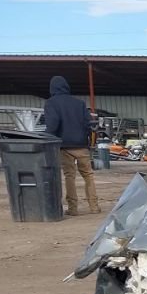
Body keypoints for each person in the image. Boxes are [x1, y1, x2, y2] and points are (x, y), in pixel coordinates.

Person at [43, 75, 98, 216]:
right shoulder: (79, 103)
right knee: (88, 176)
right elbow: (88, 124)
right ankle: (94, 206)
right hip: (81, 145)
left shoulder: (51, 103)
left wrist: (47, 137)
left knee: (69, 176)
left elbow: (53, 124)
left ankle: (73, 208)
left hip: (64, 146)